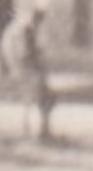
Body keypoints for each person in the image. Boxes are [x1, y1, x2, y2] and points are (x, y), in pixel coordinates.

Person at [3, 8, 55, 140]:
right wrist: (38, 60)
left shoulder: (18, 28)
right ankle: (38, 129)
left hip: (19, 68)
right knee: (41, 97)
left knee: (37, 98)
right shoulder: (24, 30)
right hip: (24, 70)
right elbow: (25, 54)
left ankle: (35, 128)